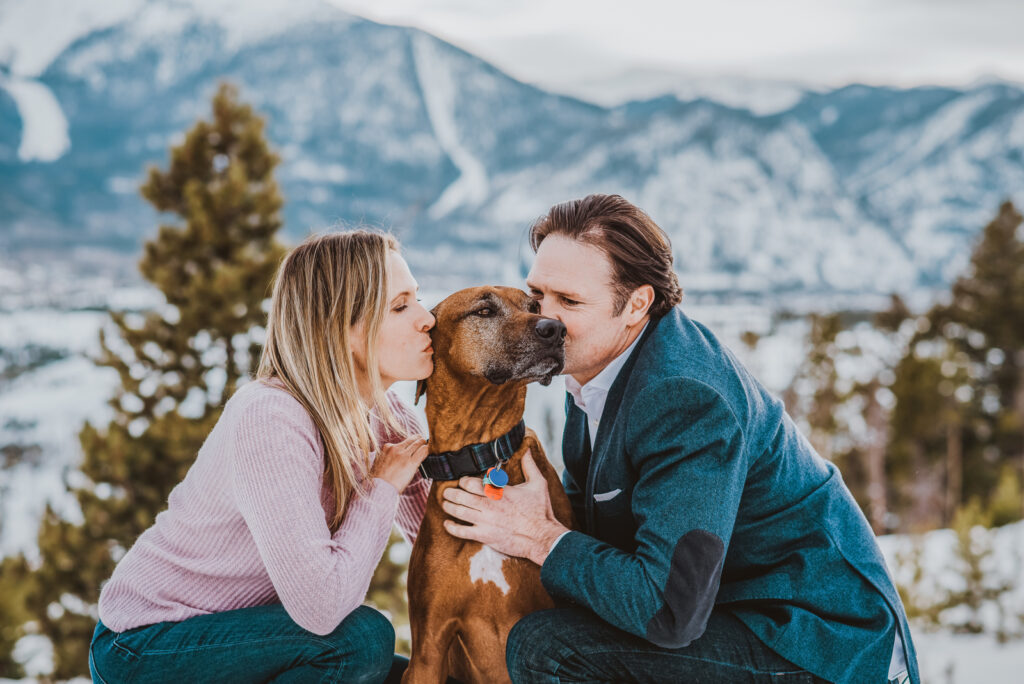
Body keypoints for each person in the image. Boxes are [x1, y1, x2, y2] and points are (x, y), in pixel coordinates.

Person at [440, 194, 918, 684]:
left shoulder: (683, 398)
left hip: (819, 643)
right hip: (736, 612)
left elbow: (667, 611)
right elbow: (597, 532)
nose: (545, 318)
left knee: (549, 648)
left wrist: (540, 536)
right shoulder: (597, 364)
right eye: (538, 295)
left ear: (636, 304)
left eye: (570, 301)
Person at [89, 230, 435, 683]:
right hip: (144, 647)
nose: (427, 318)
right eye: (400, 306)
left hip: (247, 642)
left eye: (418, 299)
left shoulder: (390, 422)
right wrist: (380, 489)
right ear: (341, 328)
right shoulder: (270, 417)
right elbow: (323, 608)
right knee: (362, 642)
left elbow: (438, 546)